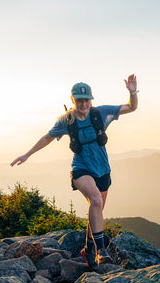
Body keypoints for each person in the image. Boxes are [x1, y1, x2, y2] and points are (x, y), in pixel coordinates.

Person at [10, 74, 139, 270]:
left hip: (102, 169)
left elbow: (132, 107)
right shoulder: (67, 120)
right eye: (79, 100)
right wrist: (27, 154)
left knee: (97, 210)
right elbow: (48, 137)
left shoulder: (101, 113)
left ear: (91, 99)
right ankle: (100, 250)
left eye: (86, 99)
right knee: (95, 201)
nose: (83, 103)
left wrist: (132, 92)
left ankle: (88, 249)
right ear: (73, 100)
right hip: (81, 168)